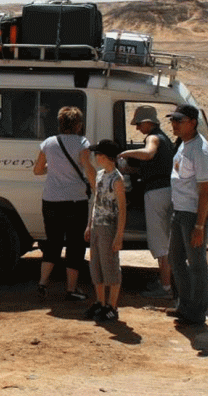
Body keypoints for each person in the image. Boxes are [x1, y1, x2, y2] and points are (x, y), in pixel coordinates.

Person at [33, 106, 96, 300]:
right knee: (75, 244)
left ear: (60, 123)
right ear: (78, 125)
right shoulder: (82, 142)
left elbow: (37, 170)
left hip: (51, 199)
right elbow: (87, 167)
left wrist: (52, 170)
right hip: (75, 200)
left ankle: (42, 283)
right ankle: (71, 289)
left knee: (53, 242)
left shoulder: (48, 143)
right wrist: (96, 188)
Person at [166, 104, 208, 326]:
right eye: (173, 120)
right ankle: (185, 305)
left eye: (179, 120)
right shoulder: (184, 144)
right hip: (181, 210)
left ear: (193, 123)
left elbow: (205, 190)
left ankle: (197, 312)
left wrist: (199, 225)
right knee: (175, 258)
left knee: (196, 263)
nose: (174, 124)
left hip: (194, 214)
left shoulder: (200, 150)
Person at [118, 105, 175, 299]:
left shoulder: (153, 138)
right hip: (167, 190)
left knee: (160, 243)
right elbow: (154, 165)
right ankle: (166, 281)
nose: (137, 128)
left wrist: (126, 154)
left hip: (157, 193)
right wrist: (131, 170)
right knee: (166, 240)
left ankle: (166, 288)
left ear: (148, 123)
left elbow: (149, 153)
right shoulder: (165, 139)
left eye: (139, 124)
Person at [83, 140, 127, 322]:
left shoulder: (117, 179)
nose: (95, 158)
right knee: (96, 266)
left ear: (105, 156)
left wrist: (119, 235)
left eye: (98, 154)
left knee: (110, 266)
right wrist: (89, 224)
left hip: (109, 226)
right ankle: (100, 302)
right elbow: (96, 201)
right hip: (97, 225)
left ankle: (112, 306)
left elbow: (122, 208)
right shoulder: (101, 175)